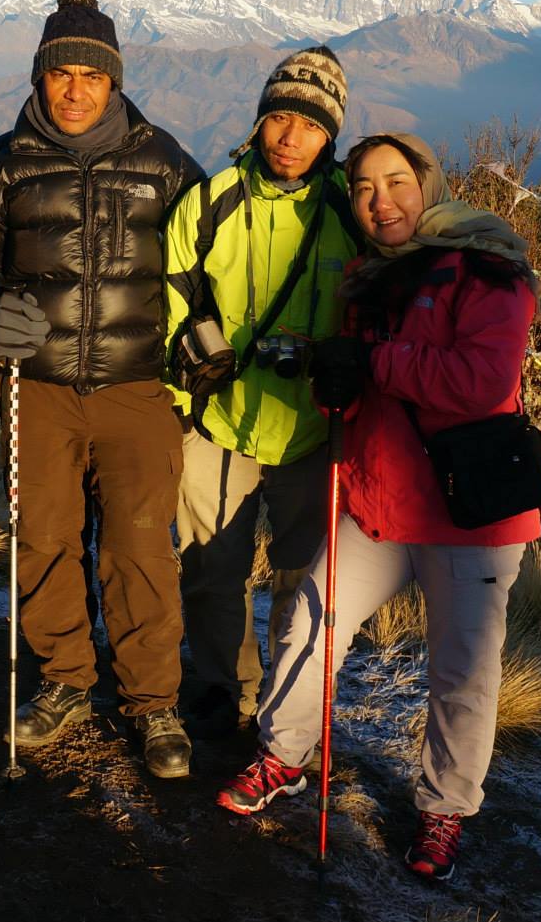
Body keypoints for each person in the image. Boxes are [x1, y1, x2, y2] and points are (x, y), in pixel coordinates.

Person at [217, 132, 541, 884]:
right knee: (311, 624)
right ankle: (285, 756)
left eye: (396, 181)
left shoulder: (488, 270)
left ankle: (445, 807)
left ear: (428, 184)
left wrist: (373, 363)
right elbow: (370, 382)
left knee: (461, 669)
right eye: (363, 187)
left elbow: (482, 381)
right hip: (381, 499)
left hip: (470, 510)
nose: (380, 199)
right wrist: (339, 378)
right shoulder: (368, 279)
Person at [0, 0, 204, 779]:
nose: (75, 90)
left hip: (138, 385)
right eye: (60, 74)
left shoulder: (163, 158)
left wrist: (207, 331)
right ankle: (65, 679)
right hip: (39, 386)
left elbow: (207, 263)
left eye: (90, 76)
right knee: (43, 539)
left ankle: (152, 701)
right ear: (39, 77)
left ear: (115, 79)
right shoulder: (4, 162)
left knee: (140, 547)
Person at [164, 47, 358, 737]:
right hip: (220, 420)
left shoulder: (350, 211)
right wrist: (183, 396)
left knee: (300, 581)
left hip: (314, 430)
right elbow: (173, 298)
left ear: (331, 135)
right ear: (257, 122)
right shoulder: (213, 200)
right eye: (279, 118)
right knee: (211, 572)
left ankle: (287, 701)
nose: (290, 137)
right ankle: (224, 689)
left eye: (308, 125)